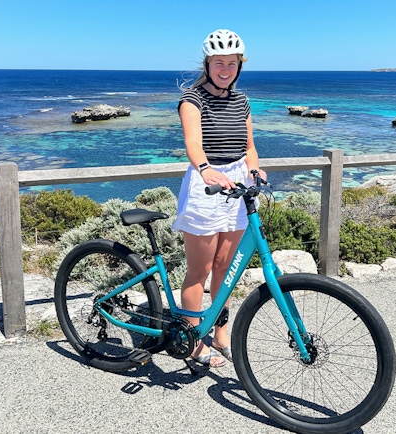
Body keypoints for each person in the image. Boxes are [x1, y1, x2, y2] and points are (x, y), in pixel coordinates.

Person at [172, 29, 266, 367]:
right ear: (208, 64)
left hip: (237, 183)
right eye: (218, 63)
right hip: (206, 185)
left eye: (231, 63)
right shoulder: (192, 99)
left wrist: (254, 171)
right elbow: (193, 144)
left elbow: (250, 148)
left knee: (225, 269)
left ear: (239, 66)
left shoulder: (241, 101)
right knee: (200, 270)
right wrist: (205, 169)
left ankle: (220, 331)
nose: (225, 69)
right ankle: (192, 337)